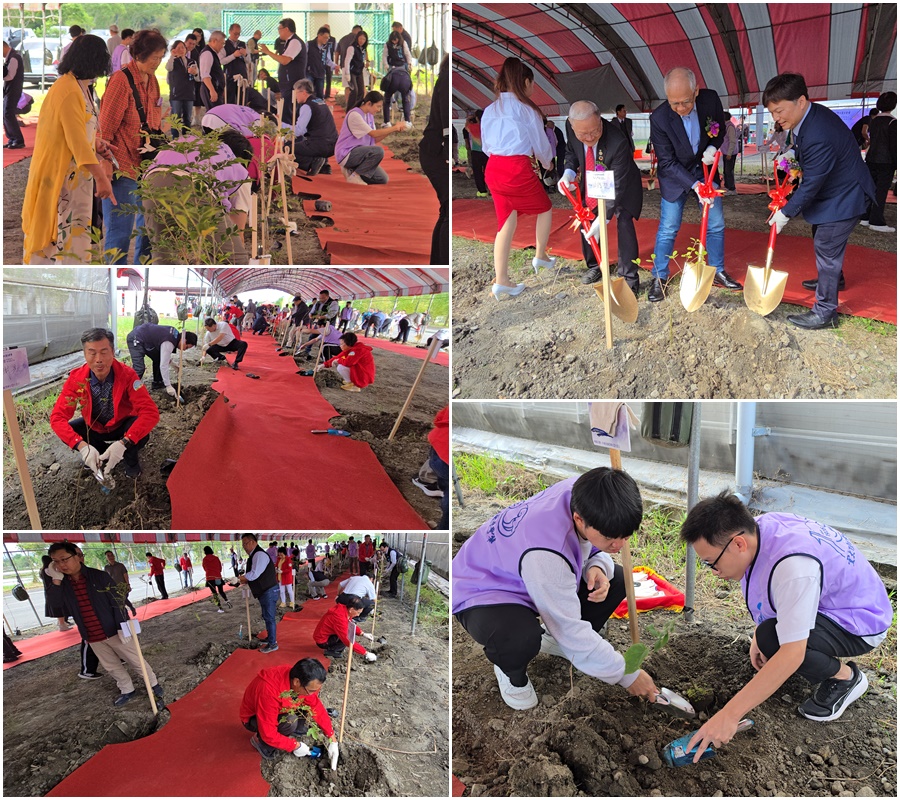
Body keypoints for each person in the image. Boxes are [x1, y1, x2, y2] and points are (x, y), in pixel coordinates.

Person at [679, 493, 892, 759]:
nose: (714, 571)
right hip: (836, 598)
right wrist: (759, 630)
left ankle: (846, 678)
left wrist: (729, 716)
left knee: (779, 643)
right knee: (768, 636)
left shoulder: (793, 568)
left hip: (860, 619)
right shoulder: (761, 530)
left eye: (712, 562)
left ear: (738, 544)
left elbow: (793, 653)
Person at [453, 467, 660, 710]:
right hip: (482, 587)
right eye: (611, 539)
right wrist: (627, 674)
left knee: (616, 579)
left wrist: (597, 565)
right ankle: (510, 671)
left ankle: (553, 640)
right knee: (519, 637)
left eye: (626, 536)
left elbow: (591, 547)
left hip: (525, 570)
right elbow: (569, 626)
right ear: (579, 519)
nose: (620, 545)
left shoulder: (584, 492)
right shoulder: (546, 554)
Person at [764, 72, 877, 329]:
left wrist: (785, 214)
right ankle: (833, 279)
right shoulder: (809, 116)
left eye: (779, 111)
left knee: (827, 245)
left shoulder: (818, 132)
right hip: (836, 188)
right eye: (772, 112)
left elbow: (812, 183)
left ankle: (825, 311)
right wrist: (793, 153)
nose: (776, 118)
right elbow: (808, 155)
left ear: (801, 101)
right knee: (821, 233)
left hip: (845, 194)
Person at [647, 66, 742, 303]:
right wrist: (695, 186)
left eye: (686, 102)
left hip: (706, 168)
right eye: (674, 103)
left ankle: (717, 270)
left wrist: (713, 147)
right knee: (669, 226)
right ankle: (659, 276)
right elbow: (667, 163)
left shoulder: (709, 100)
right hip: (675, 175)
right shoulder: (659, 118)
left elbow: (718, 129)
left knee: (716, 224)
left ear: (696, 91)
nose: (680, 108)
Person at [21, 35, 116, 264]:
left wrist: (95, 143)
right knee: (66, 240)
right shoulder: (68, 89)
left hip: (77, 177)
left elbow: (76, 132)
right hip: (64, 177)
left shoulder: (79, 86)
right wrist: (102, 177)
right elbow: (76, 142)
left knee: (78, 236)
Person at [50, 541, 163, 707]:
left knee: (135, 659)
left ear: (77, 557)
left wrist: (121, 626)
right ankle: (127, 689)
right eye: (56, 562)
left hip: (113, 629)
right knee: (111, 665)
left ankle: (153, 684)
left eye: (64, 559)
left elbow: (117, 601)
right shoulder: (62, 584)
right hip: (92, 634)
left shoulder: (98, 576)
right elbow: (56, 605)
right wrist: (55, 580)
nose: (61, 565)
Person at [481, 57, 555, 301]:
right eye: (532, 83)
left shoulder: (490, 110)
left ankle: (501, 280)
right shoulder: (528, 110)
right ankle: (541, 255)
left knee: (505, 222)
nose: (533, 89)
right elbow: (540, 144)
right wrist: (548, 163)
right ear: (525, 82)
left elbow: (486, 147)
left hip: (493, 167)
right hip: (516, 167)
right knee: (544, 208)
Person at [49, 328, 159, 480]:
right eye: (92, 353)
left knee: (140, 432)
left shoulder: (127, 375)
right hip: (95, 426)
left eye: (104, 352)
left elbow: (150, 412)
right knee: (72, 429)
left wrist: (124, 442)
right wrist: (82, 446)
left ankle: (129, 459)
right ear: (85, 354)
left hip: (121, 424)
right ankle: (98, 453)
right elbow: (57, 417)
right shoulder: (77, 379)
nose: (98, 359)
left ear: (113, 352)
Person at [558, 100, 643, 292]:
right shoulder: (572, 130)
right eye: (583, 134)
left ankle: (629, 277)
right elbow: (571, 151)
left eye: (594, 131)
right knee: (586, 219)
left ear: (600, 121)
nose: (589, 137)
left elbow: (618, 185)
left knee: (624, 221)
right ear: (572, 126)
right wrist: (568, 173)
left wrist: (604, 217)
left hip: (623, 184)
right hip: (592, 180)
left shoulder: (617, 141)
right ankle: (595, 265)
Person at [100, 28, 167, 265]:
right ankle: (114, 272)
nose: (157, 63)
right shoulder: (121, 80)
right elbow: (104, 131)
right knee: (119, 233)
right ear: (138, 54)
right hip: (122, 166)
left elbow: (156, 120)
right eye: (154, 58)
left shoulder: (154, 81)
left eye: (161, 58)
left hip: (146, 166)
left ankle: (141, 270)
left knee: (148, 230)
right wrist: (105, 167)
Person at [240, 657, 339, 767]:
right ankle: (263, 745)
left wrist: (332, 738)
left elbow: (315, 706)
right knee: (289, 721)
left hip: (279, 707)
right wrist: (295, 746)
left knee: (306, 702)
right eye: (311, 690)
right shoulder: (268, 691)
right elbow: (268, 733)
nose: (312, 694)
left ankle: (297, 729)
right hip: (253, 718)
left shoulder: (298, 681)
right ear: (297, 682)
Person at [335, 90, 405, 184]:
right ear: (369, 103)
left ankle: (352, 171)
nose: (379, 110)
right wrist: (394, 128)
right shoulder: (355, 114)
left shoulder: (369, 115)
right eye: (378, 106)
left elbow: (374, 139)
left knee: (382, 179)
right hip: (347, 153)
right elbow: (374, 134)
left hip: (361, 153)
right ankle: (355, 176)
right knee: (378, 151)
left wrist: (393, 130)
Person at [420, 53, 449, 265]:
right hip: (436, 153)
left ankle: (438, 260)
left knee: (446, 210)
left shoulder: (444, 79)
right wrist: (448, 154)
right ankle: (440, 260)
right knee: (447, 211)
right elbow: (445, 118)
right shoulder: (446, 80)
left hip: (435, 151)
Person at [860, 91, 896, 234]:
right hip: (886, 161)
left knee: (870, 189)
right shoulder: (893, 122)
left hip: (871, 159)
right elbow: (893, 146)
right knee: (881, 191)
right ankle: (876, 221)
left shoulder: (874, 121)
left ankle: (865, 217)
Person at [126, 323, 197, 394]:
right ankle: (127, 389)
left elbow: (163, 355)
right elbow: (163, 365)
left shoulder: (175, 335)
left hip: (145, 338)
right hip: (136, 338)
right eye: (186, 347)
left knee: (158, 358)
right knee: (139, 368)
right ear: (184, 339)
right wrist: (168, 386)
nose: (184, 349)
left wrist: (173, 365)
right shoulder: (169, 342)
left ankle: (158, 383)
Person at [259, 18, 307, 125]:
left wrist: (268, 52)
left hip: (293, 83)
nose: (278, 31)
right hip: (288, 82)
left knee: (289, 112)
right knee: (286, 111)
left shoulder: (295, 42)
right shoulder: (289, 42)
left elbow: (285, 60)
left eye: (279, 29)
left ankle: (292, 137)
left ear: (286, 29)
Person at [239, 533, 280, 653]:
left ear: (252, 542)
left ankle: (273, 644)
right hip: (264, 591)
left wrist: (240, 579)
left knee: (269, 617)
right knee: (266, 616)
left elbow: (254, 574)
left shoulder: (259, 555)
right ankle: (270, 638)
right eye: (243, 545)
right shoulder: (255, 555)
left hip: (269, 591)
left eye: (245, 544)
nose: (244, 547)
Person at [290, 79, 338, 176]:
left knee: (288, 148)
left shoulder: (307, 106)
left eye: (295, 93)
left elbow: (299, 130)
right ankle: (324, 166)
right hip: (334, 144)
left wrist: (283, 130)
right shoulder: (320, 101)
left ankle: (312, 163)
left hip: (320, 145)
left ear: (303, 92)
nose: (294, 96)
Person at [313, 594, 377, 661]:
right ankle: (332, 651)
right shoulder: (339, 618)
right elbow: (347, 640)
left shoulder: (344, 610)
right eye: (358, 612)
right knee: (347, 636)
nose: (358, 615)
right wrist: (365, 653)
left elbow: (350, 624)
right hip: (323, 641)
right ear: (351, 609)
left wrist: (362, 633)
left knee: (348, 632)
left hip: (326, 635)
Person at [380, 31, 413, 128]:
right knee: (402, 97)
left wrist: (409, 63)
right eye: (393, 41)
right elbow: (384, 56)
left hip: (402, 68)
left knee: (397, 97)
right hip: (392, 68)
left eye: (396, 40)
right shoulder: (387, 45)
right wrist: (386, 66)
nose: (394, 42)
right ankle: (390, 121)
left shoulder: (403, 43)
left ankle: (394, 121)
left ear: (399, 39)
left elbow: (407, 54)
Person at [165, 40, 197, 135]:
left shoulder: (192, 61)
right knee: (175, 118)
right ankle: (175, 139)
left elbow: (198, 78)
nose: (181, 50)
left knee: (187, 118)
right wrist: (172, 56)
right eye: (178, 48)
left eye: (183, 47)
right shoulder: (173, 61)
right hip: (176, 94)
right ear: (173, 49)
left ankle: (186, 138)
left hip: (189, 93)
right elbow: (168, 68)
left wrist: (195, 73)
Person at [40, 555, 72, 631]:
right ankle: (62, 624)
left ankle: (62, 623)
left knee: (59, 608)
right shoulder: (49, 569)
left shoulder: (42, 570)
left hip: (50, 590)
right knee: (59, 608)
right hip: (55, 589)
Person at [3, 39, 25, 149]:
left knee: (8, 113)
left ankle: (18, 139)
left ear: (4, 47)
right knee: (5, 114)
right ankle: (12, 138)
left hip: (13, 89)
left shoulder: (14, 58)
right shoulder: (11, 57)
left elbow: (10, 76)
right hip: (10, 89)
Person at [198, 30, 226, 112]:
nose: (222, 46)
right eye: (222, 43)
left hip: (216, 88)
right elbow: (205, 75)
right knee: (214, 114)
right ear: (214, 41)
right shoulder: (207, 53)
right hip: (210, 89)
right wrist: (212, 91)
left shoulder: (212, 53)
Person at [221, 23, 249, 105]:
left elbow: (249, 60)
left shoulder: (243, 44)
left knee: (243, 99)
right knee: (229, 99)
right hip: (229, 75)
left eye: (239, 34)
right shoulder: (224, 45)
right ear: (229, 32)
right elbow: (221, 61)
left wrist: (245, 54)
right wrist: (233, 56)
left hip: (242, 75)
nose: (237, 36)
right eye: (235, 33)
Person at [342, 29, 369, 111]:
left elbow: (362, 59)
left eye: (364, 39)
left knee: (361, 91)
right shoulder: (351, 48)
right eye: (360, 38)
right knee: (354, 90)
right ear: (357, 38)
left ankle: (357, 108)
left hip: (359, 71)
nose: (362, 41)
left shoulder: (363, 49)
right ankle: (349, 110)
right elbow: (347, 61)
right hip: (351, 72)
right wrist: (347, 73)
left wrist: (366, 63)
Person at [464, 109, 488, 196]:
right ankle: (491, 189)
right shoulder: (488, 126)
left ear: (476, 118)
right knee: (488, 171)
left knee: (477, 171)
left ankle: (482, 191)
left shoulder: (472, 126)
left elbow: (466, 126)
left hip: (476, 152)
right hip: (487, 152)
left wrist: (468, 119)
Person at [103, 550, 136, 615]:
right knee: (120, 601)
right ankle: (127, 613)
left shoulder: (120, 565)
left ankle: (129, 611)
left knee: (123, 600)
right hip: (114, 588)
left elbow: (125, 575)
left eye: (111, 555)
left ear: (114, 556)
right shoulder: (106, 567)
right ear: (106, 558)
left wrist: (128, 584)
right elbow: (106, 578)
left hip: (123, 586)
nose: (110, 557)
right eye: (108, 556)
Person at [306, 26, 334, 101]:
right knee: (309, 93)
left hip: (320, 73)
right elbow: (304, 57)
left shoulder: (326, 47)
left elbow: (328, 59)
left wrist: (334, 66)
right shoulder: (309, 44)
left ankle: (319, 110)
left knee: (320, 95)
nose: (327, 39)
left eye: (328, 38)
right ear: (319, 35)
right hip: (310, 72)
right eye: (325, 37)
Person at [202, 546, 228, 612]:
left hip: (210, 578)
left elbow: (205, 568)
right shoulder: (216, 558)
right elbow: (220, 568)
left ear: (205, 552)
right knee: (221, 591)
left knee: (214, 593)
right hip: (217, 577)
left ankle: (220, 608)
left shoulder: (204, 559)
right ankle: (226, 600)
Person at [720, 117, 740, 195]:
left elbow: (732, 141)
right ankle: (727, 186)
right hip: (726, 152)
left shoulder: (730, 126)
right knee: (726, 170)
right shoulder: (725, 126)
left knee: (729, 171)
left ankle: (732, 188)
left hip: (730, 152)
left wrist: (729, 153)